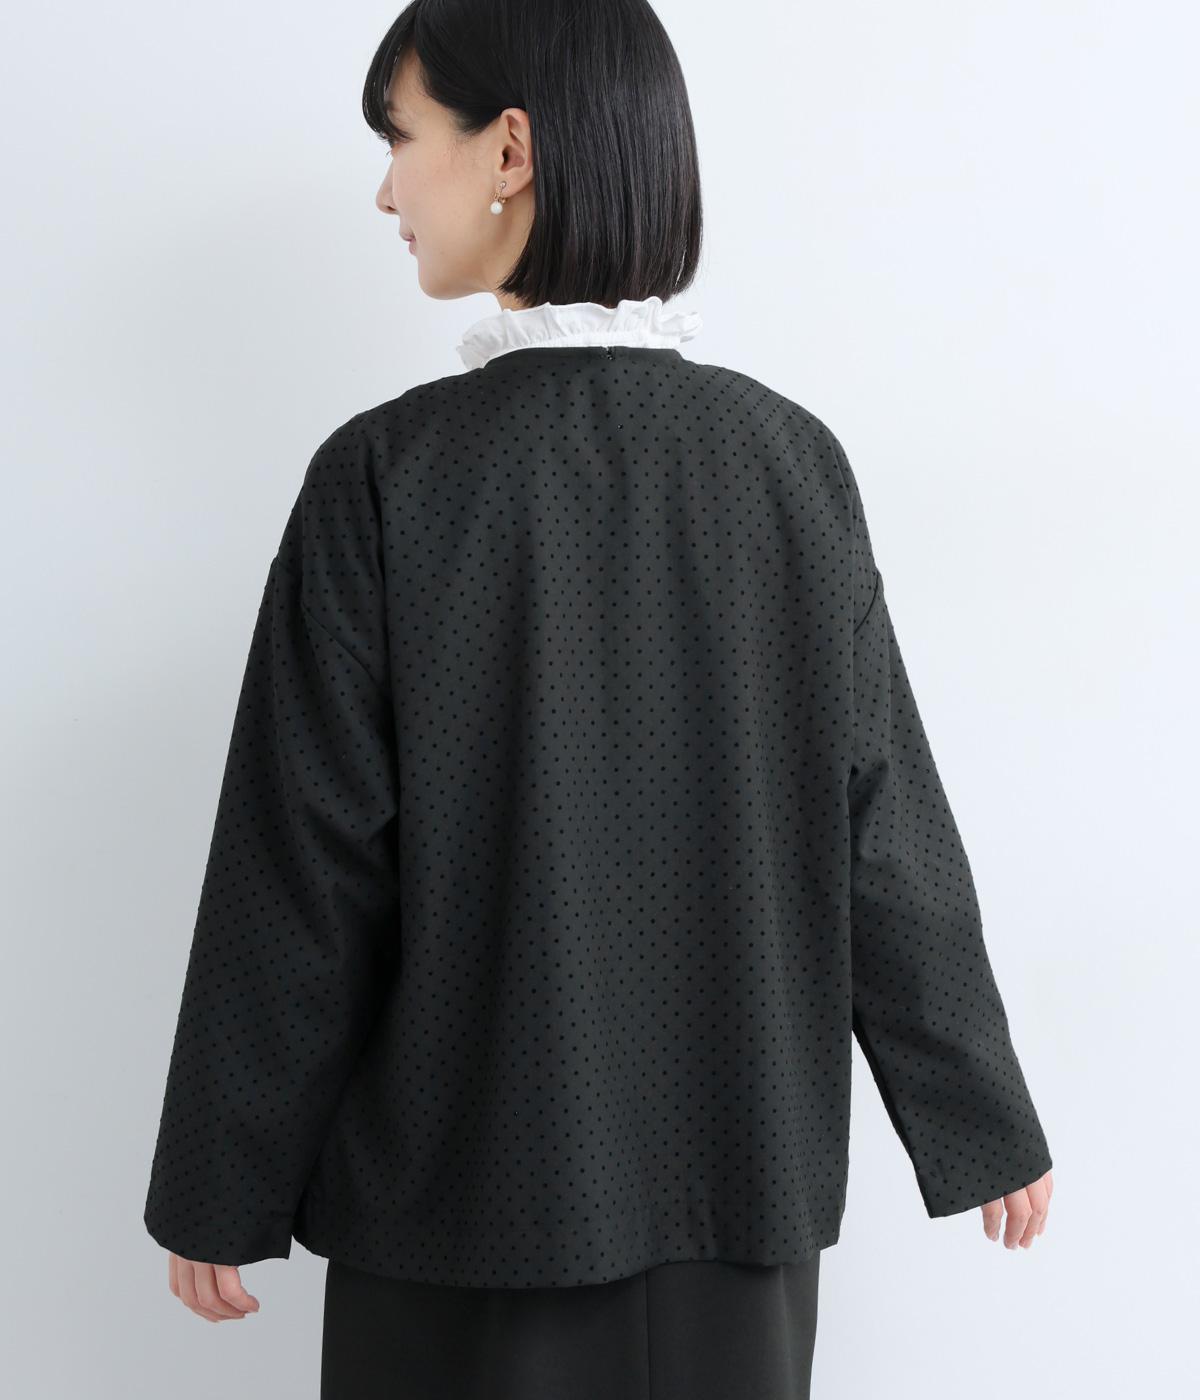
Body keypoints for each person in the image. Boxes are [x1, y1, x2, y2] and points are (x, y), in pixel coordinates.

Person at [142, 2, 1054, 1396]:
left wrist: (224, 1179)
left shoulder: (386, 479)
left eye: (402, 137)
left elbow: (305, 871)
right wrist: (980, 1115)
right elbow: (881, 828)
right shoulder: (790, 468)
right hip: (736, 1208)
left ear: (509, 150)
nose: (386, 189)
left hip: (460, 1220)